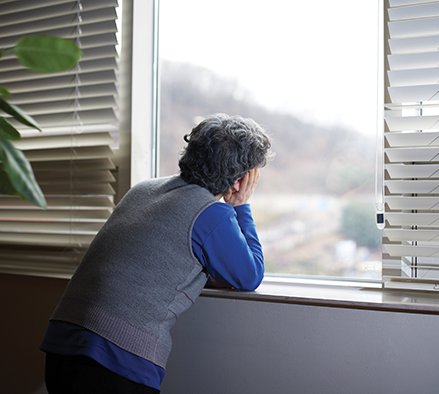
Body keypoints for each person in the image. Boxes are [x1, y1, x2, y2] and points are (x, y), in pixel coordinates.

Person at [40, 114, 273, 393]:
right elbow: (250, 275)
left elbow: (155, 262)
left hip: (61, 344)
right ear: (240, 180)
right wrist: (241, 206)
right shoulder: (211, 213)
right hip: (116, 360)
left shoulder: (143, 189)